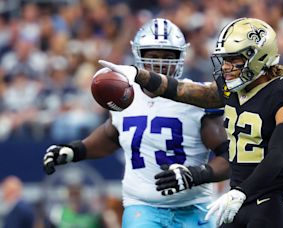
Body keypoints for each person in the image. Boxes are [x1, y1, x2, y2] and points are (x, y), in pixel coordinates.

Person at [99, 17, 283, 227]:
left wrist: (242, 191)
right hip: (237, 197)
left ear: (258, 57)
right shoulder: (233, 89)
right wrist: (139, 75)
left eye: (234, 60)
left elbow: (279, 152)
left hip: (272, 198)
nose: (226, 67)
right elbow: (182, 90)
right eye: (225, 60)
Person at [43, 18, 230, 228]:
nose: (160, 64)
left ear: (181, 58)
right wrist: (75, 150)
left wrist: (196, 175)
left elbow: (229, 156)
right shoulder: (126, 95)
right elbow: (110, 135)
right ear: (139, 56)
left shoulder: (197, 98)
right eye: (154, 56)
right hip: (143, 207)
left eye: (168, 56)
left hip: (194, 206)